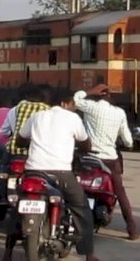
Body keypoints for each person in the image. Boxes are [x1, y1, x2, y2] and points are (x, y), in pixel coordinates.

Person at [16, 89, 100, 261]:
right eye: (73, 105)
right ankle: (89, 254)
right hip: (60, 172)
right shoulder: (72, 118)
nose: (74, 108)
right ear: (64, 103)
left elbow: (20, 139)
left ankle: (10, 246)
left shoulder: (37, 116)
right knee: (81, 207)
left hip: (34, 171)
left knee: (16, 202)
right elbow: (86, 144)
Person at [73, 84, 139, 240]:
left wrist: (89, 91)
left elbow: (75, 99)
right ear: (109, 97)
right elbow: (128, 141)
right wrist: (127, 143)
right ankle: (132, 228)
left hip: (89, 157)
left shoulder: (91, 107)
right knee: (120, 191)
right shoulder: (119, 113)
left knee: (74, 185)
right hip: (110, 159)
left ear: (96, 96)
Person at [4, 84, 52, 156]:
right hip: (32, 152)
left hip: (13, 148)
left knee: (3, 165)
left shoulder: (21, 105)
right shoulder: (47, 109)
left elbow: (4, 131)